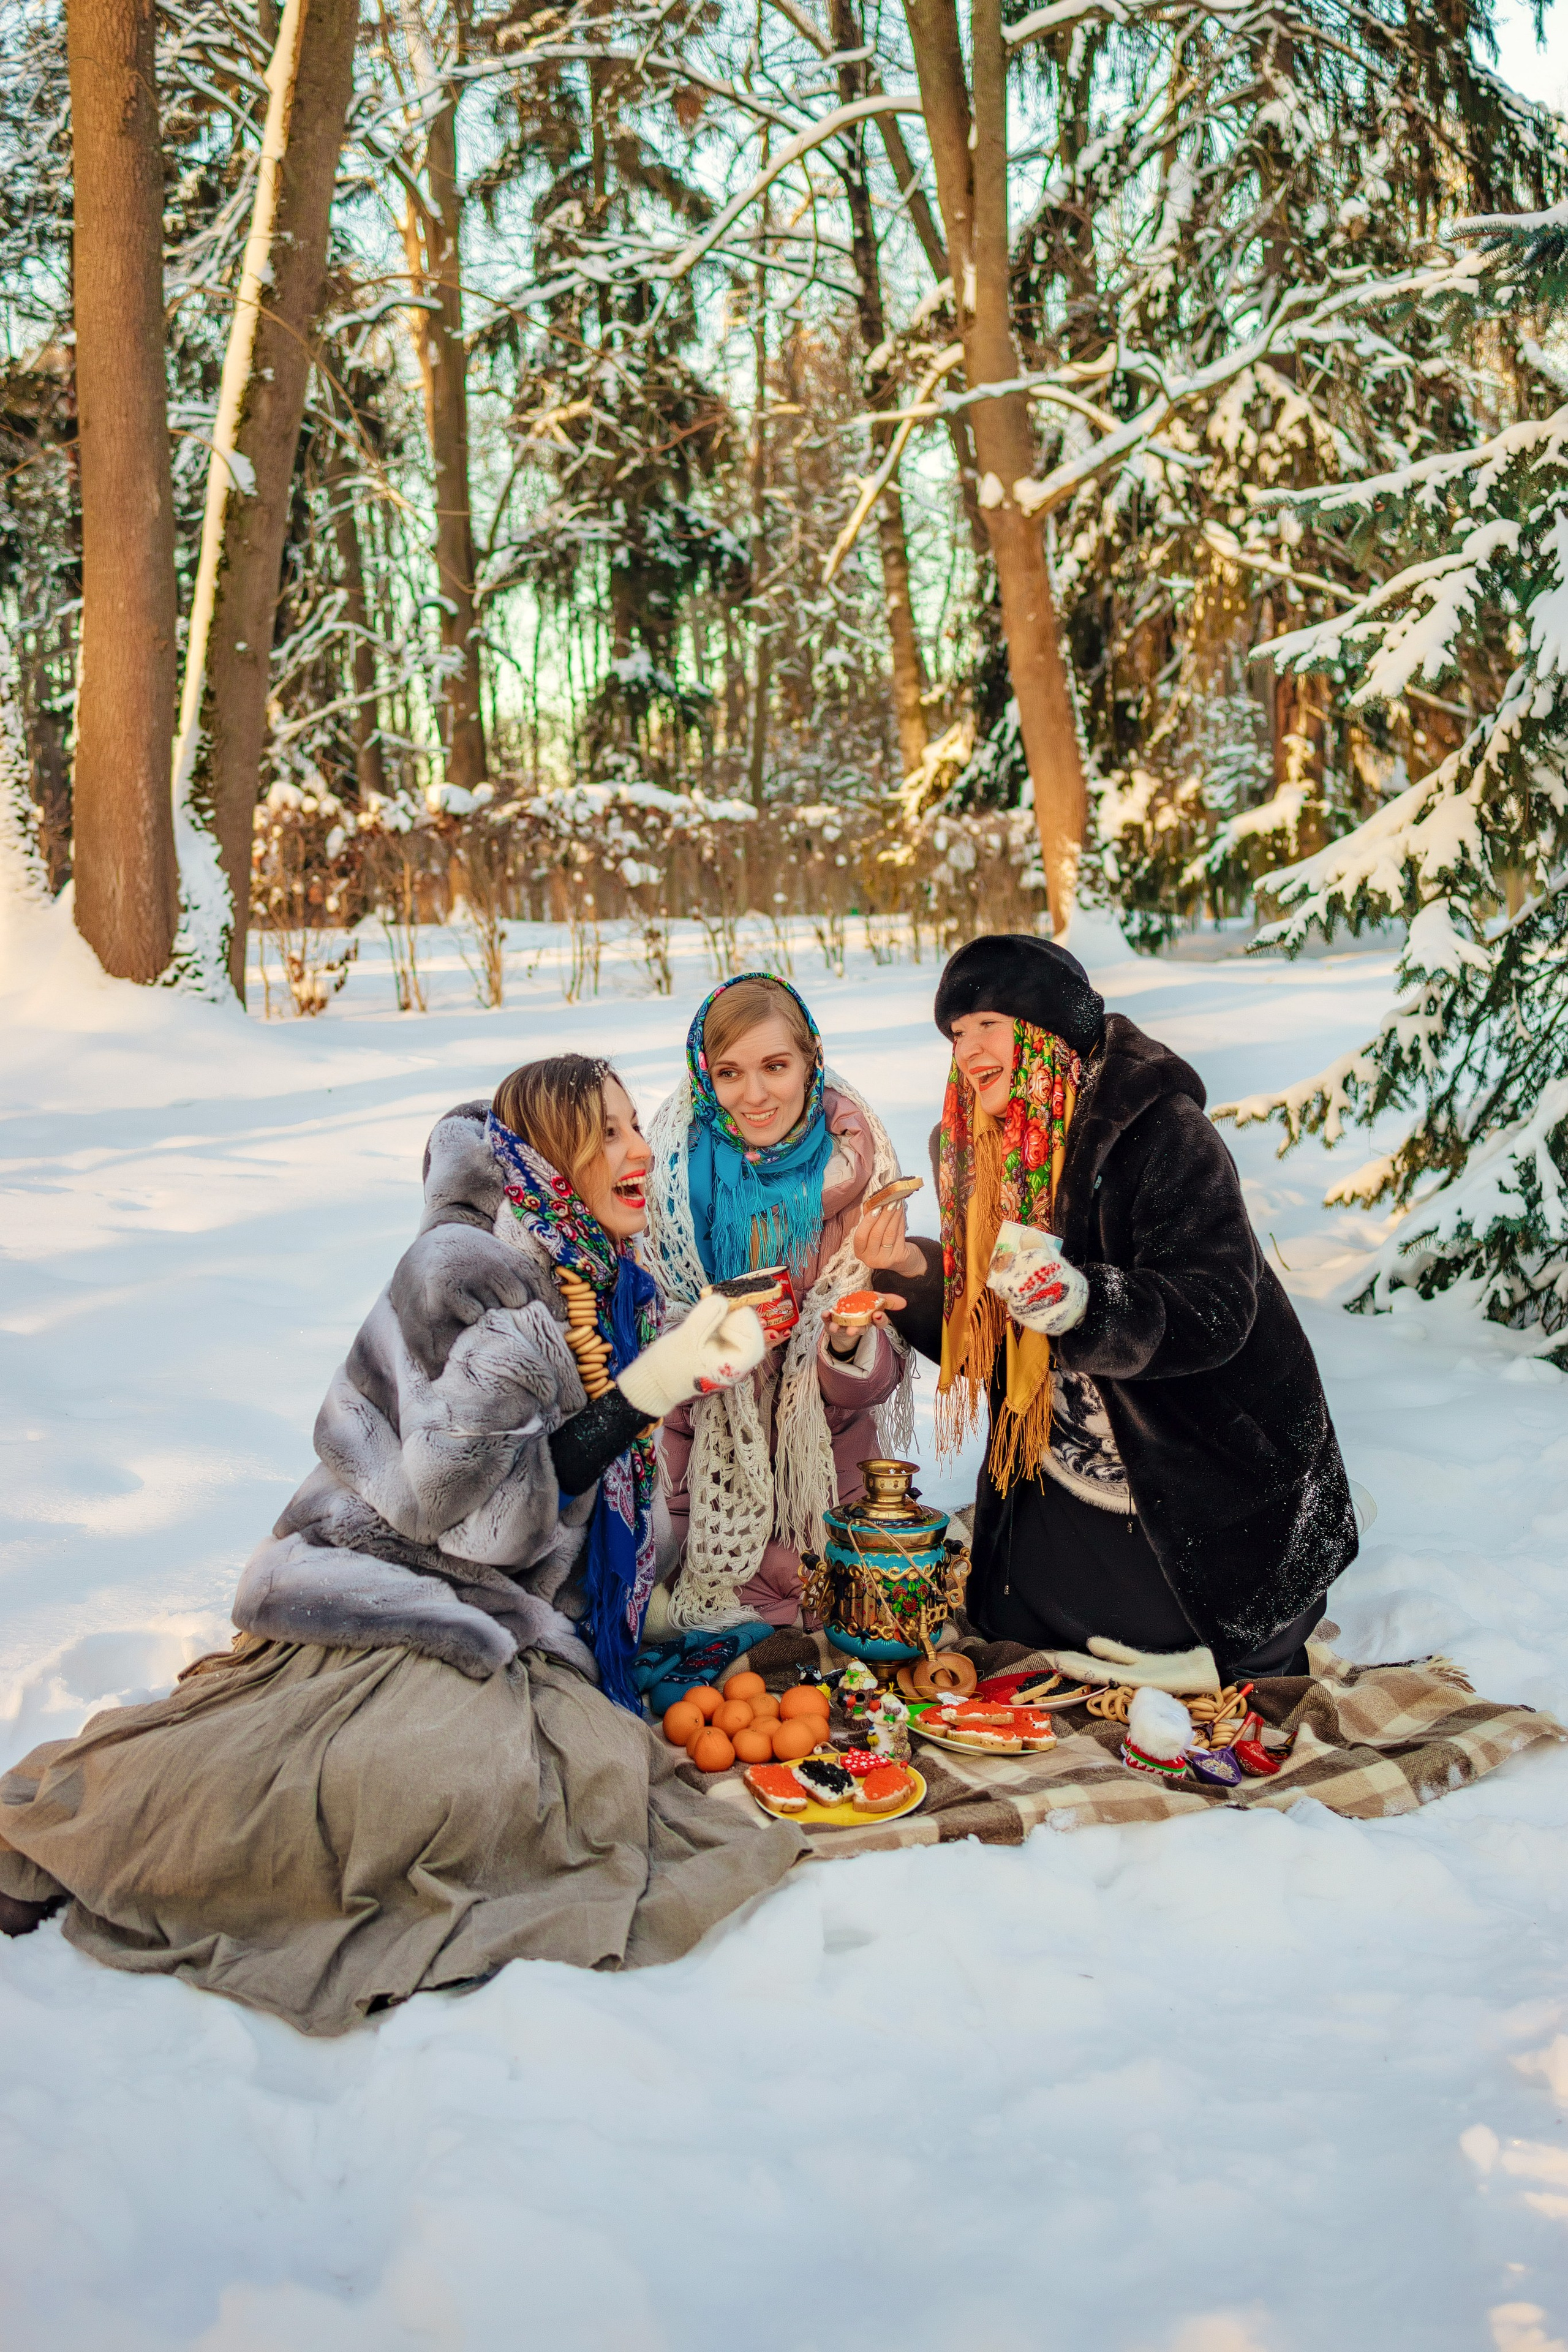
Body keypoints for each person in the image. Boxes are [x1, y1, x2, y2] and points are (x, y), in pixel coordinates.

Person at [0, 1056, 803, 2032]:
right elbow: (455, 1511)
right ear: (554, 1159)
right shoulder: (484, 1282)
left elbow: (569, 1475)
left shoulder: (592, 1265)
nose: (640, 1151)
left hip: (498, 1598)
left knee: (563, 1774)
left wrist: (680, 1358)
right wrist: (648, 1392)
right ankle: (93, 1847)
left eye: (636, 1127)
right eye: (611, 1135)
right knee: (439, 1791)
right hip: (399, 1581)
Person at [869, 933, 1359, 1686]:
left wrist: (1084, 1304)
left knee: (1195, 1634)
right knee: (1008, 1627)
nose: (967, 1050)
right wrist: (911, 1269)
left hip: (1204, 1473)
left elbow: (1216, 1305)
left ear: (1048, 1029)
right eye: (956, 1034)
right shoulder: (973, 1149)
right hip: (1065, 1468)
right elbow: (992, 1340)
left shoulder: (1161, 1131)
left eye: (986, 1025)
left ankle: (1222, 1644)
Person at [644, 973, 918, 1630]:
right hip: (700, 1495)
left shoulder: (864, 1172)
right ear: (705, 1077)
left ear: (810, 1061)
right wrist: (712, 1342)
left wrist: (846, 1343)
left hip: (823, 1490)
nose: (755, 1095)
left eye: (775, 1066)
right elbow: (643, 1370)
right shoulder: (668, 1181)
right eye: (731, 1073)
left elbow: (870, 1385)